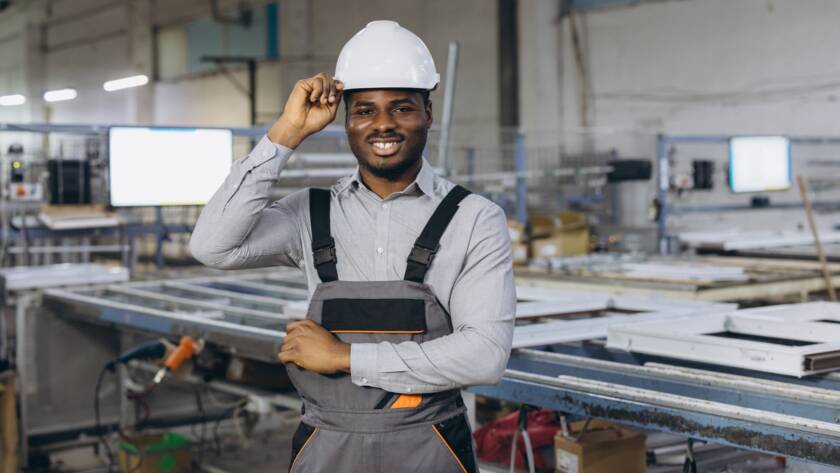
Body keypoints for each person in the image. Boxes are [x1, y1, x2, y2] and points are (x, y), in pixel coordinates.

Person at [190, 20, 515, 473]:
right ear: (346, 119)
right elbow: (211, 246)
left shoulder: (474, 218)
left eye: (401, 108)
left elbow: (485, 356)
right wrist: (285, 133)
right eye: (364, 110)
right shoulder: (310, 214)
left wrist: (343, 356)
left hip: (429, 446)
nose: (383, 124)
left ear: (428, 113)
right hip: (328, 447)